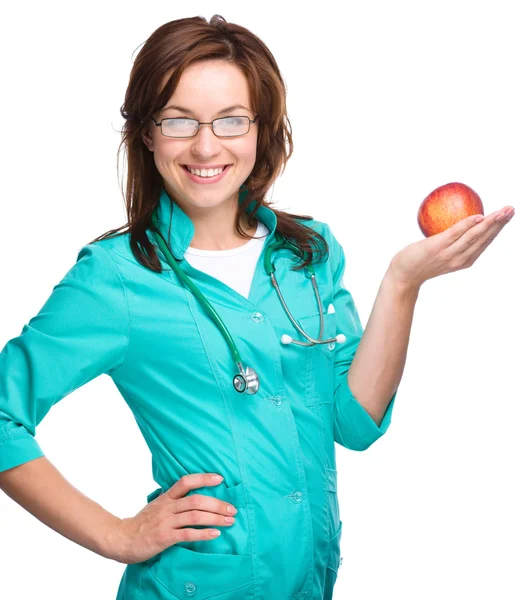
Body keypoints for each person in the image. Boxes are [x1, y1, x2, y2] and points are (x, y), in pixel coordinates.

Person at [0, 14, 514, 600]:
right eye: (178, 120)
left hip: (309, 581)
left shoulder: (309, 254)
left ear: (261, 129)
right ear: (146, 133)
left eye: (231, 120)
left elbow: (352, 424)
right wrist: (116, 535)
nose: (205, 145)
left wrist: (402, 283)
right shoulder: (116, 277)